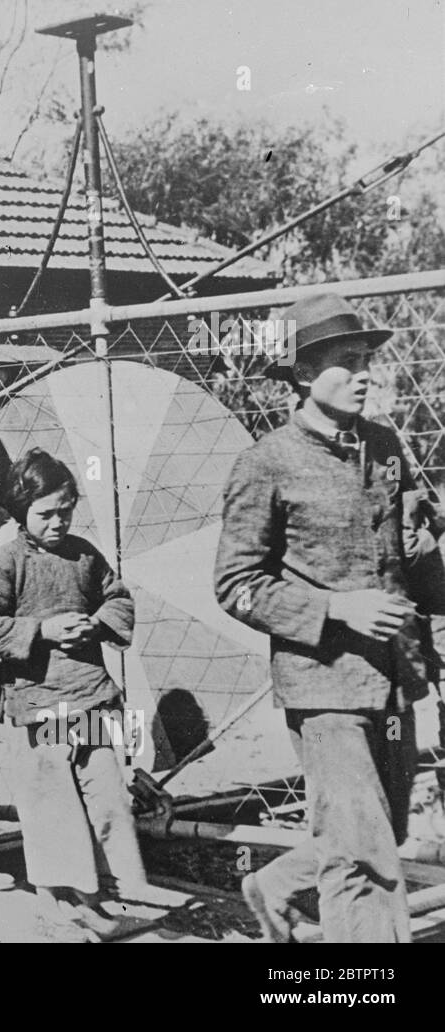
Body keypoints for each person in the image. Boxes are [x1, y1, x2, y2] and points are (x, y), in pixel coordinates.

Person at [215, 293, 444, 943]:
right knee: (363, 856)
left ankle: (274, 888)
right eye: (347, 361)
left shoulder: (385, 445)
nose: (365, 372)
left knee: (378, 829)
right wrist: (335, 608)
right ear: (305, 374)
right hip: (323, 684)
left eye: (367, 359)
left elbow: (414, 551)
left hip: (394, 675)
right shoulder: (266, 464)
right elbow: (235, 585)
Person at [0, 448, 145, 939]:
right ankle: (52, 903)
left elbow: (117, 596)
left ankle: (99, 895)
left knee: (106, 793)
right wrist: (41, 630)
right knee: (52, 806)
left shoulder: (84, 555)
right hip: (40, 703)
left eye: (66, 511)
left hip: (90, 694)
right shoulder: (6, 563)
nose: (58, 522)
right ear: (22, 511)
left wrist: (100, 624)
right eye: (46, 514)